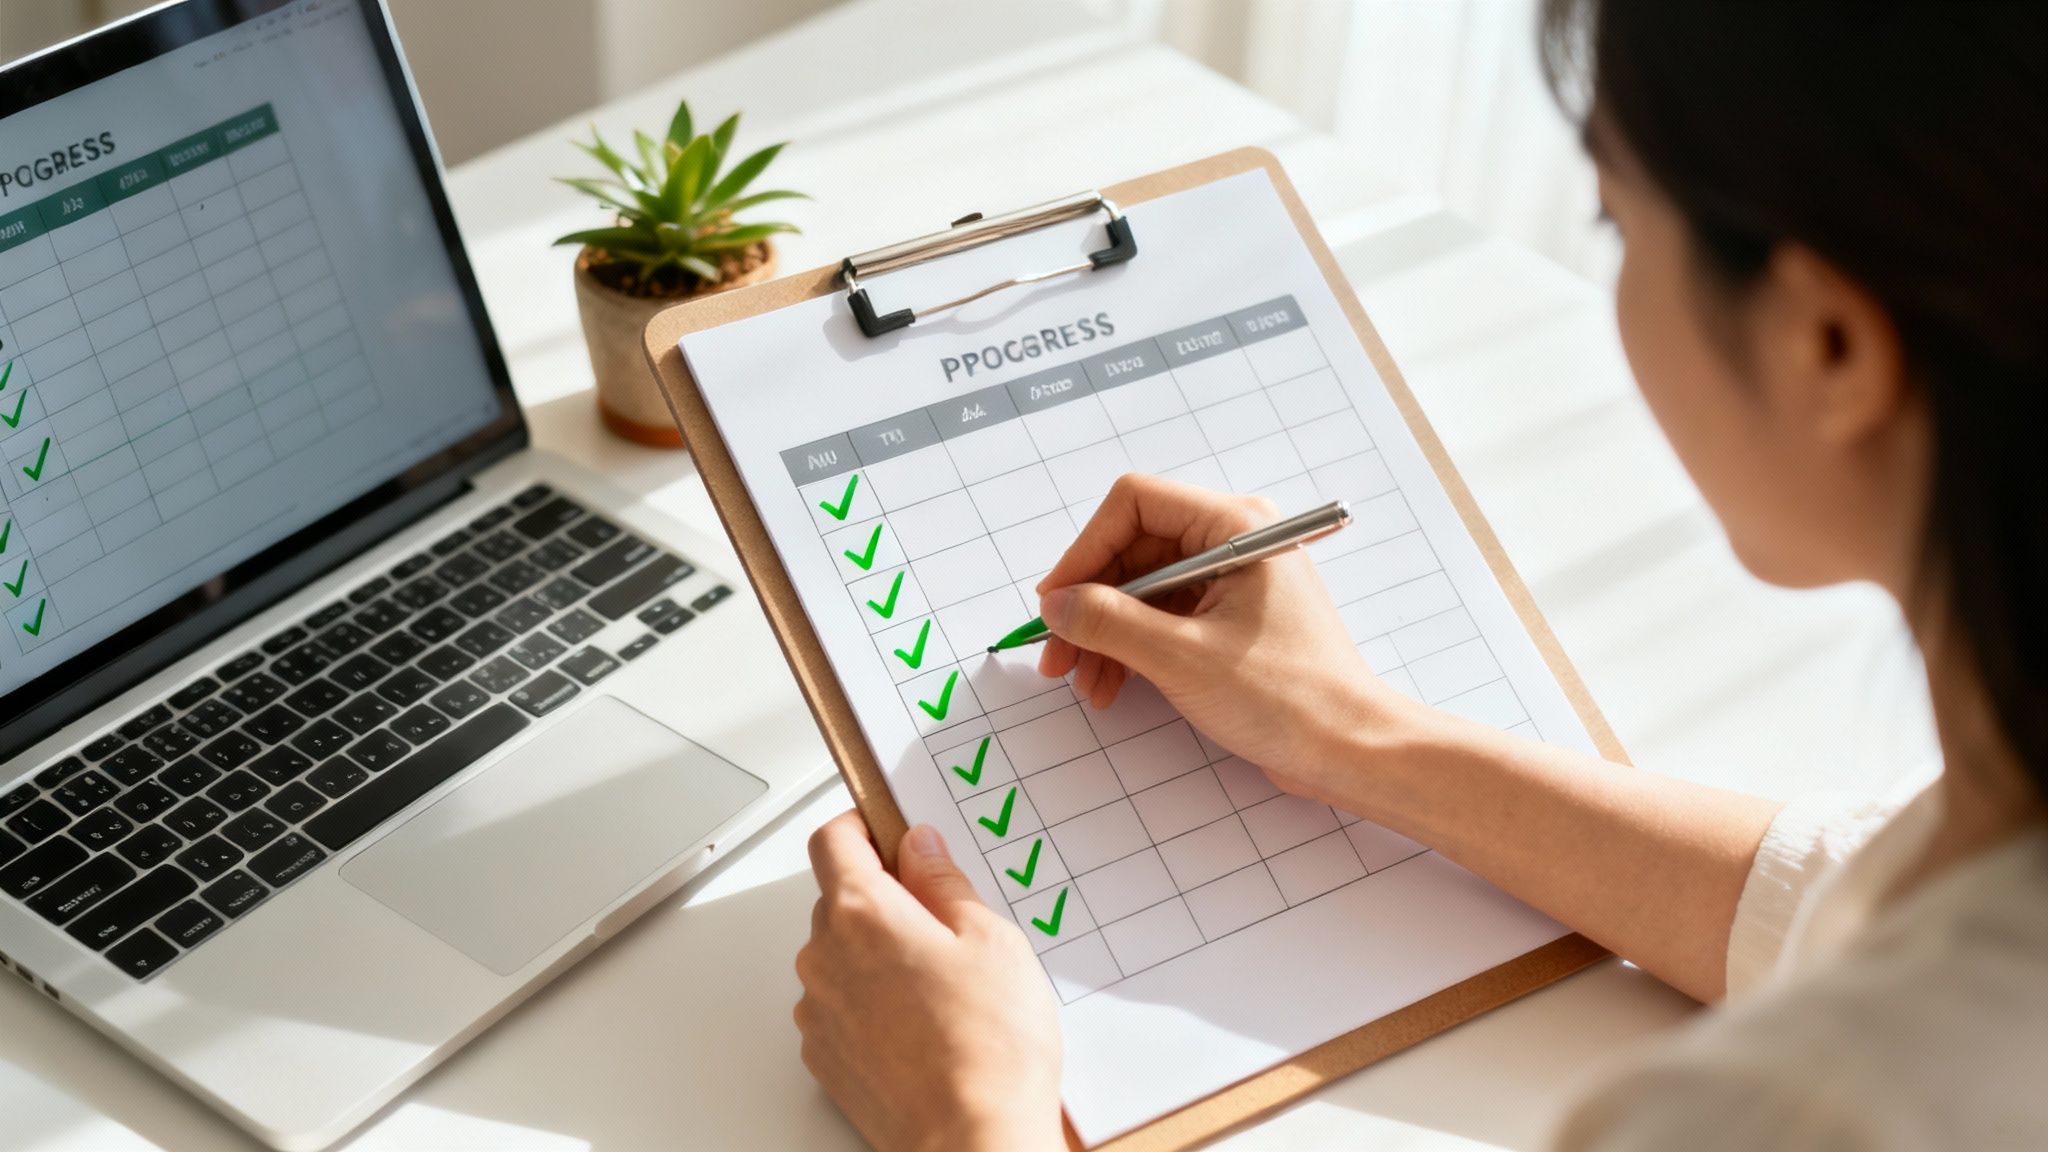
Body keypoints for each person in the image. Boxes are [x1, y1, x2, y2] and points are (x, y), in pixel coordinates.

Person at [791, 1, 2046, 1148]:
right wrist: (1350, 733)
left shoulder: (1794, 1113)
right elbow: (1853, 896)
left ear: (1824, 343)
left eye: (1615, 218)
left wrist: (969, 1117)